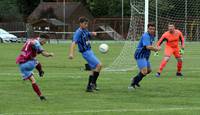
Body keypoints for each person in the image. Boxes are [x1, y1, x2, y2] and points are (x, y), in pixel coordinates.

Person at [16, 33, 54, 101]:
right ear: (42, 39)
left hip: (21, 65)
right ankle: (40, 71)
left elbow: (25, 49)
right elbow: (44, 54)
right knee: (35, 61)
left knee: (33, 81)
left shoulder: (30, 40)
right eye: (45, 41)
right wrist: (50, 54)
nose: (45, 43)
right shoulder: (37, 43)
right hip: (28, 63)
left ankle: (41, 96)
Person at [69, 16, 102, 92]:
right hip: (86, 52)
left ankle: (89, 86)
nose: (86, 25)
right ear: (80, 24)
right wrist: (71, 54)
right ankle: (92, 84)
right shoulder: (78, 32)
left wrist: (92, 33)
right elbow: (73, 43)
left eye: (87, 24)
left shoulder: (84, 30)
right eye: (85, 24)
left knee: (93, 69)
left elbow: (87, 34)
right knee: (99, 65)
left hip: (90, 51)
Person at [129, 23, 160, 89]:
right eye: (150, 29)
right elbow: (148, 47)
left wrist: (155, 48)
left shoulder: (152, 36)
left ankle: (135, 79)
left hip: (145, 56)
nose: (152, 30)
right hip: (140, 55)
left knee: (148, 70)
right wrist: (156, 49)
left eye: (153, 29)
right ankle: (132, 84)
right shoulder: (146, 36)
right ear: (147, 29)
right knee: (144, 71)